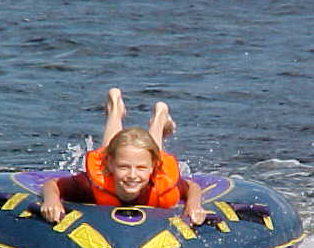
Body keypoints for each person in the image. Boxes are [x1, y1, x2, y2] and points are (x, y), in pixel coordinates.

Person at [40, 88, 207, 225]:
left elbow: (192, 187)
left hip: (148, 162)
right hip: (115, 156)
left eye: (141, 169)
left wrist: (193, 205)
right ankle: (115, 109)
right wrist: (51, 200)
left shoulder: (163, 187)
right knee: (112, 148)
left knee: (150, 150)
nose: (132, 176)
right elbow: (52, 185)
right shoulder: (90, 185)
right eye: (123, 168)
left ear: (152, 168)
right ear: (110, 165)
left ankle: (159, 118)